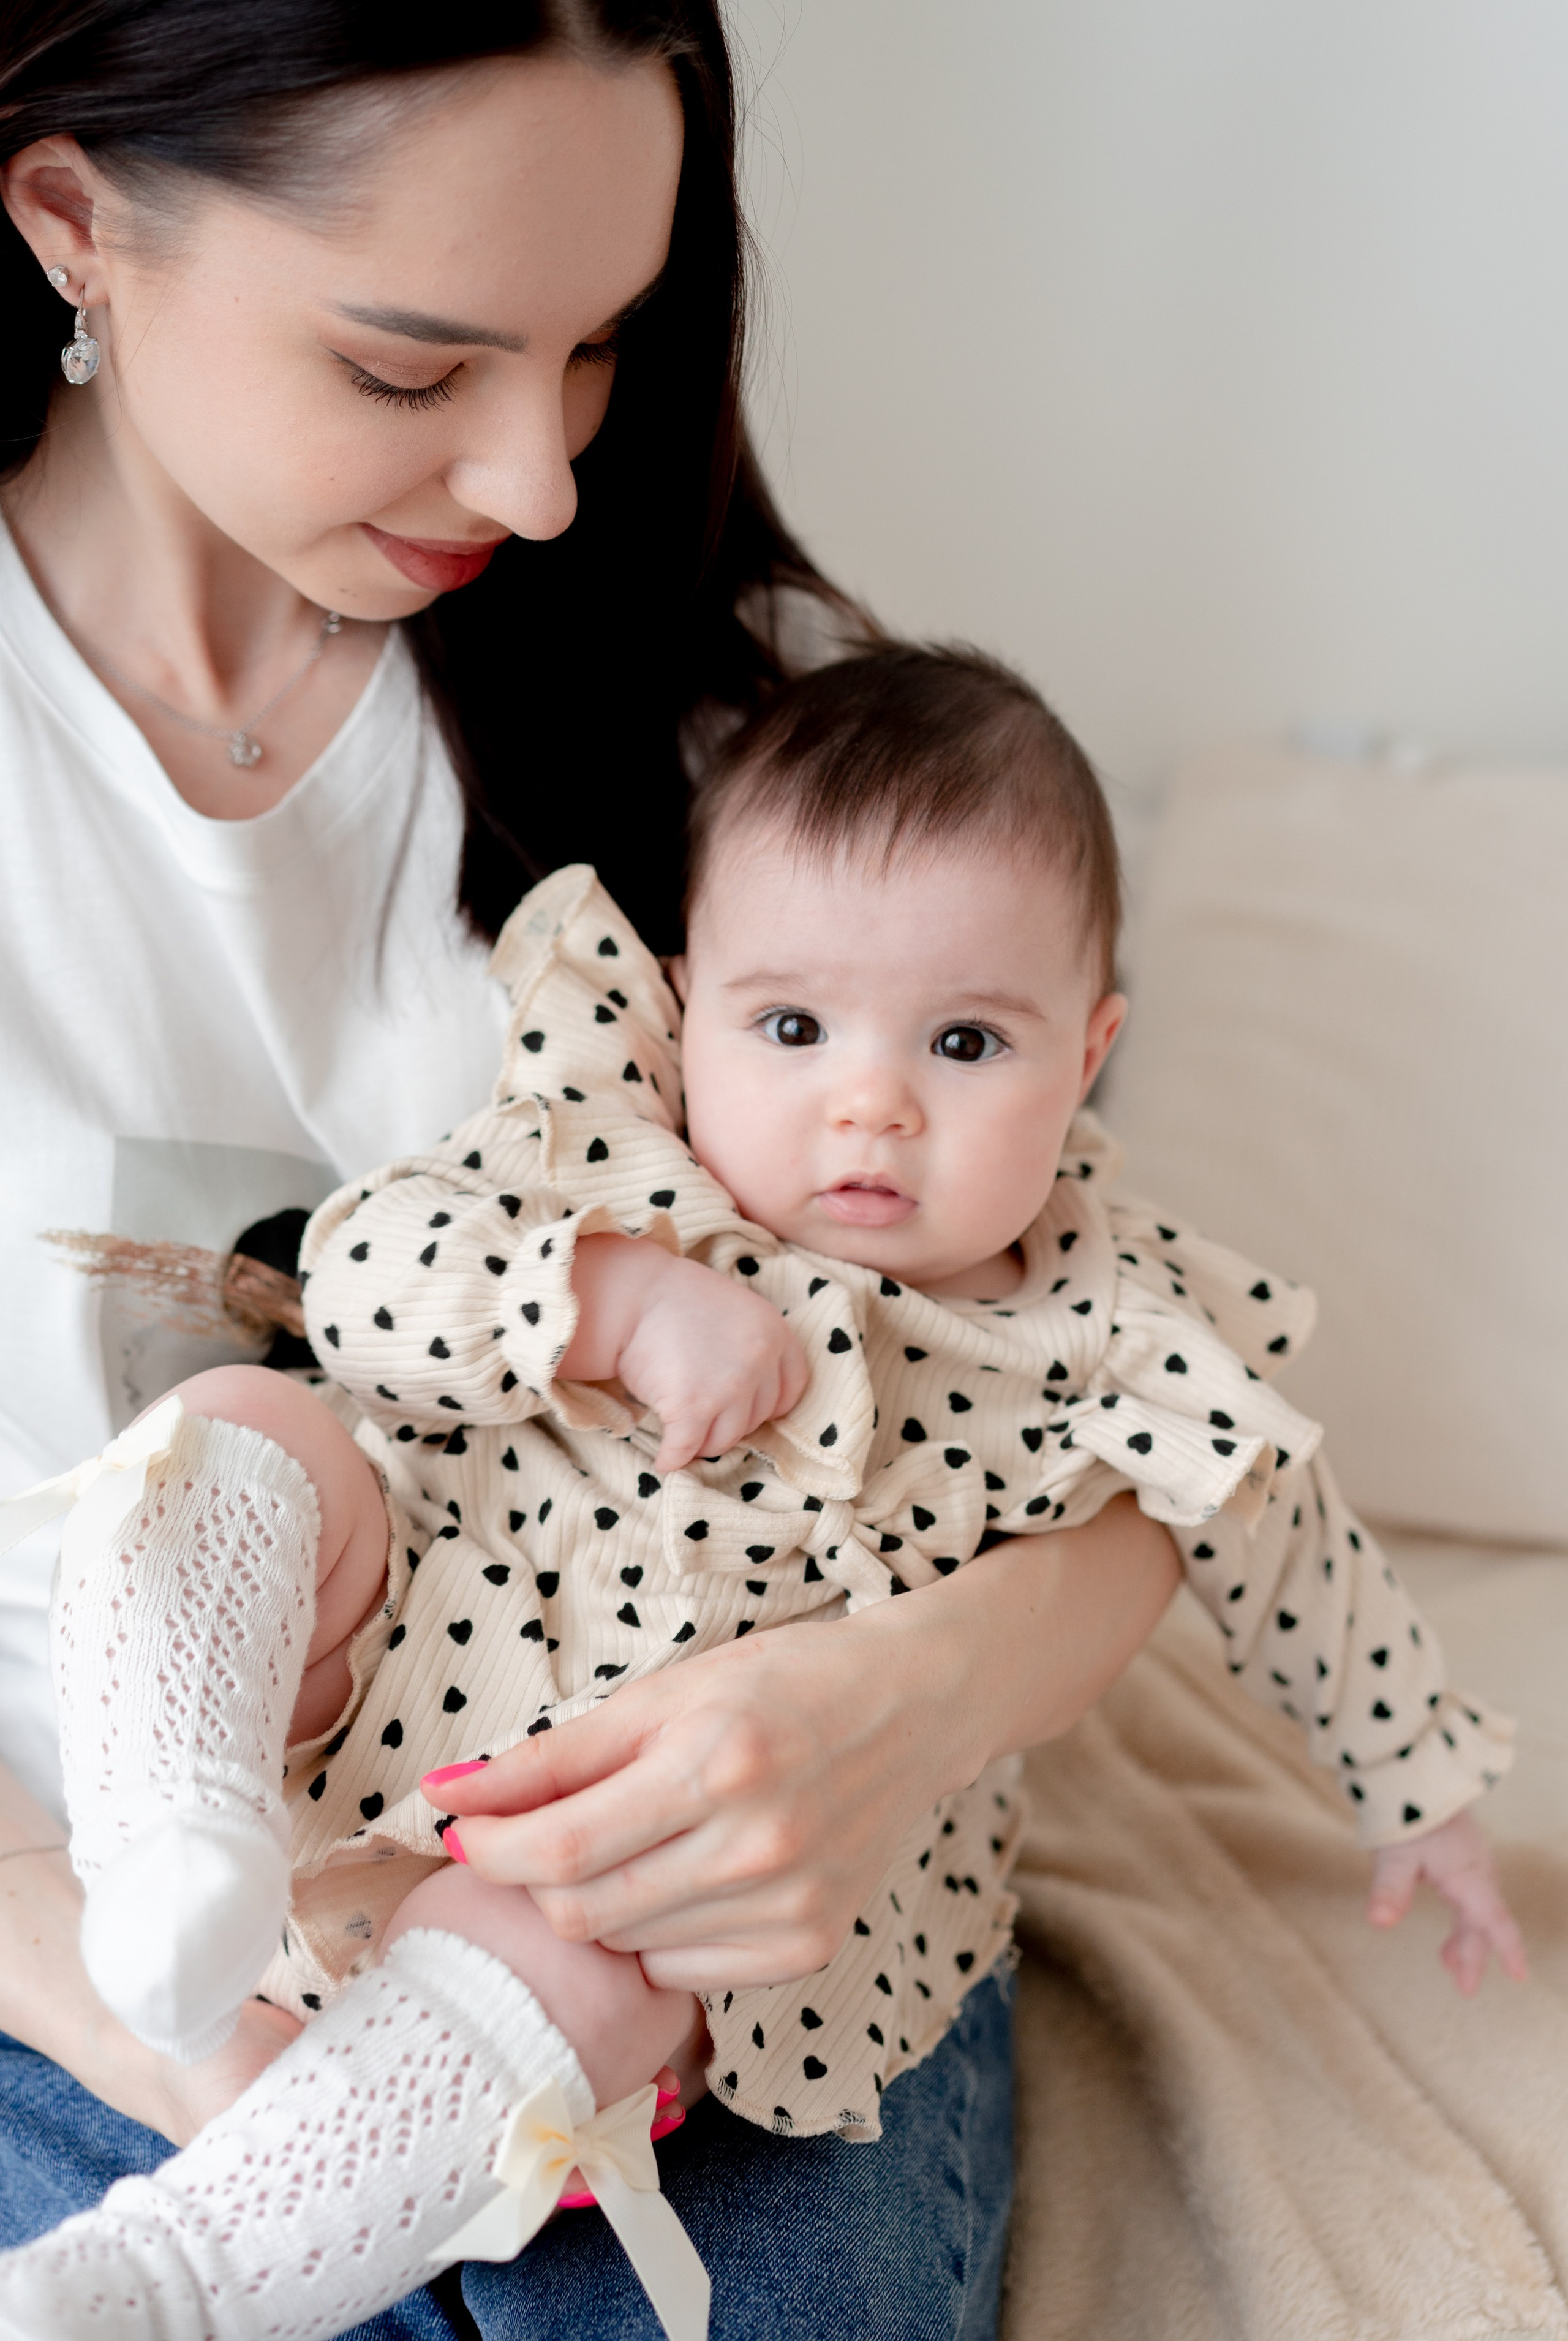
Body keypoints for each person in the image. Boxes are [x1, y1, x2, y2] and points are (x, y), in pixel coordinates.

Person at [0, 0, 1185, 2335]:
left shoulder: (762, 761)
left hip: (695, 1880)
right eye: (416, 366)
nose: (541, 480)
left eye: (604, 348)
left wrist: (897, 1712)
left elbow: (1125, 1399)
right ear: (76, 222)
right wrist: (81, 1965)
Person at [0, 647, 1525, 2339]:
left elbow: (1281, 1525)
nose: (867, 1099)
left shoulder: (1117, 1332)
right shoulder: (610, 1132)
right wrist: (608, 1297)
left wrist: (1416, 1781)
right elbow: (359, 1284)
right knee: (236, 1423)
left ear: (1090, 1048)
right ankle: (159, 1841)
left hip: (666, 1855)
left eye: (963, 1039)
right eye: (791, 1025)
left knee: (597, 1971)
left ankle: (195, 2265)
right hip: (402, 1636)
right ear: (684, 991)